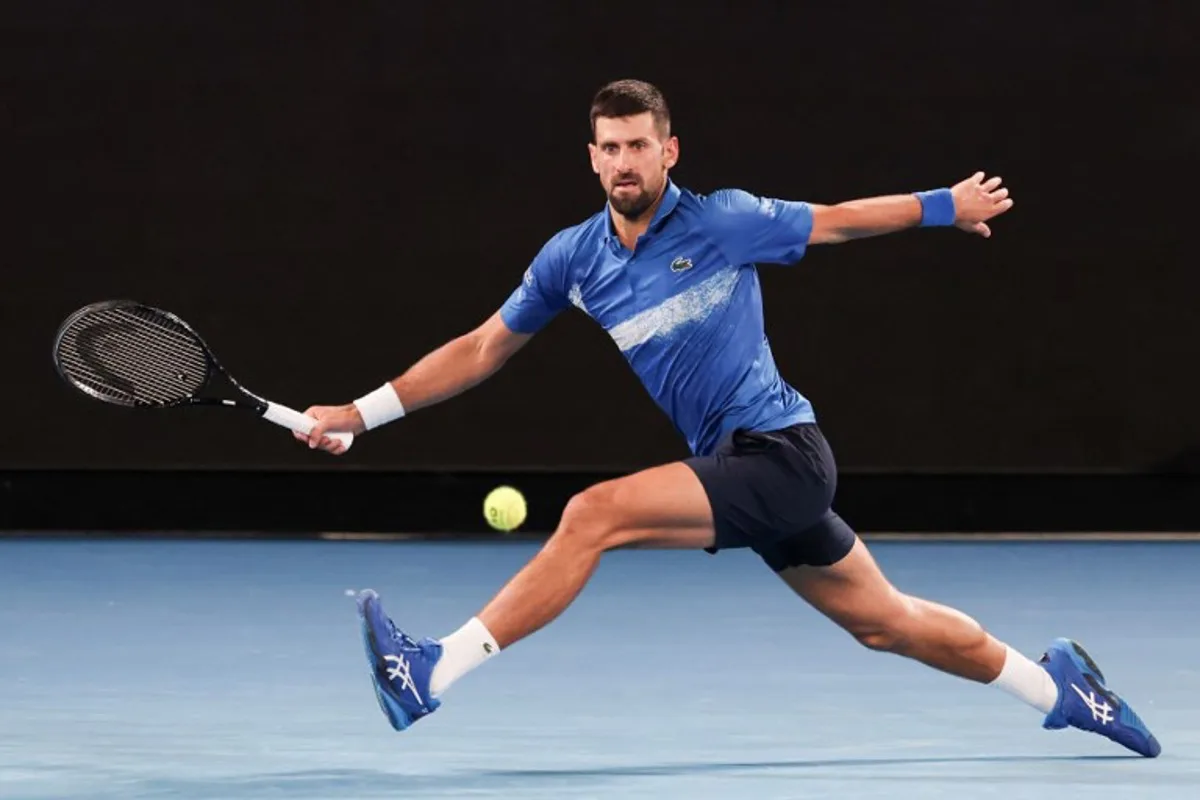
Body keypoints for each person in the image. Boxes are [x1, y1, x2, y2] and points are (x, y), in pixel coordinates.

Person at [298, 79, 1160, 757]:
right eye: (610, 148)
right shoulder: (573, 258)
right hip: (743, 470)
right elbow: (483, 348)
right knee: (884, 622)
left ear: (669, 151)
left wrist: (947, 204)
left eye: (640, 145)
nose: (625, 161)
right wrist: (361, 414)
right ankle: (1061, 691)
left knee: (592, 514)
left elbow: (836, 223)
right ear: (592, 160)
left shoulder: (725, 221)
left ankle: (432, 670)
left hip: (783, 455)